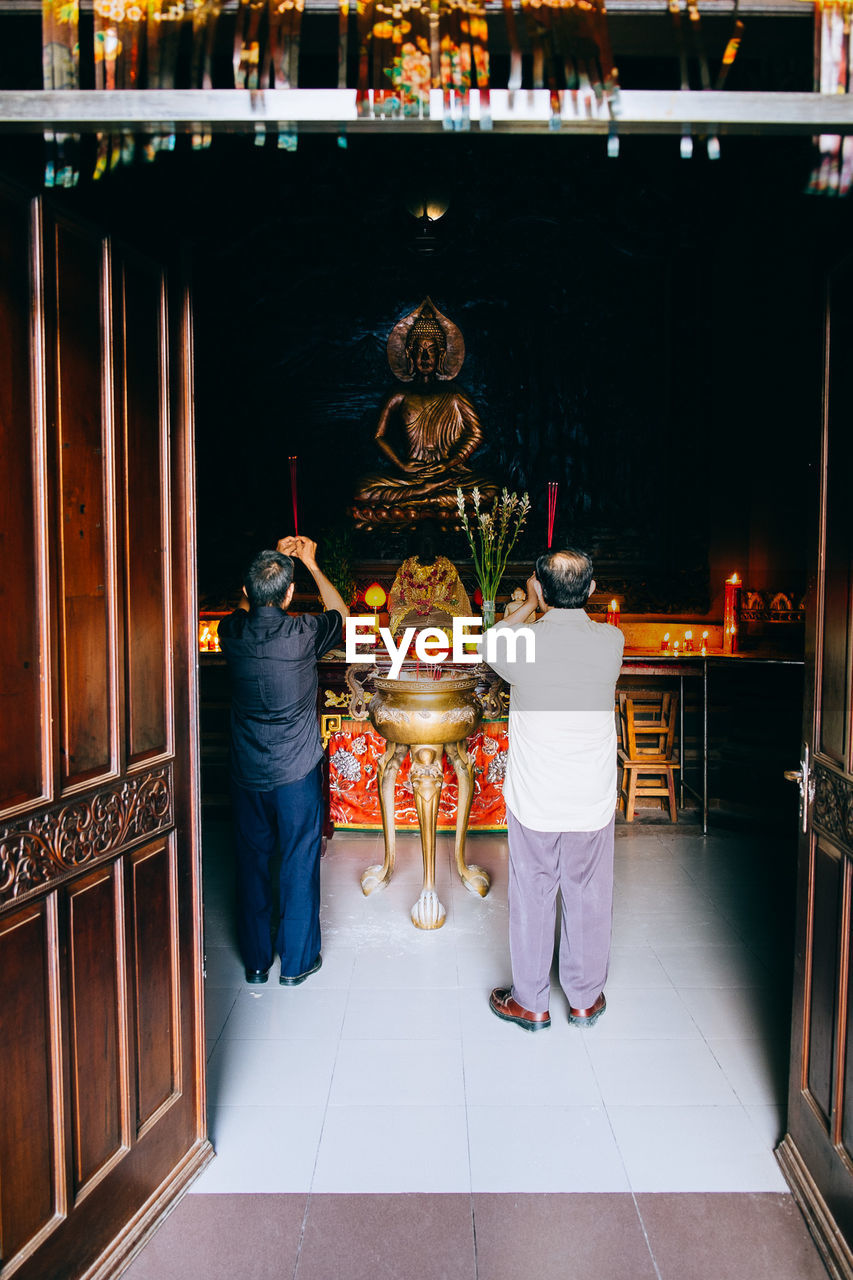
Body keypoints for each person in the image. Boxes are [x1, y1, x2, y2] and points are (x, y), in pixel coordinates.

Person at [484, 549, 624, 1031]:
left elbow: (492, 640)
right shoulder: (611, 641)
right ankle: (585, 999)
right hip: (590, 797)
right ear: (591, 589)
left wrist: (528, 605)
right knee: (588, 893)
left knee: (533, 892)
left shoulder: (519, 646)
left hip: (537, 797)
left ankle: (531, 1002)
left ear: (541, 590)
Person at [218, 536, 349, 986]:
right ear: (291, 595)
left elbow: (247, 602)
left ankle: (256, 963)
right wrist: (310, 563)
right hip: (296, 771)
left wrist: (267, 572)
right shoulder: (304, 632)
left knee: (251, 862)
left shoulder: (229, 632)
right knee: (298, 859)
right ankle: (296, 964)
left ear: (247, 590)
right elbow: (343, 616)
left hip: (247, 771)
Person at [352, 299, 497, 526]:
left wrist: (447, 464)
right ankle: (430, 497)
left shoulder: (454, 394)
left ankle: (423, 498)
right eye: (420, 351)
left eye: (431, 351)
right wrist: (402, 465)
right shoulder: (399, 394)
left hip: (447, 474)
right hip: (410, 474)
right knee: (363, 489)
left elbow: (476, 434)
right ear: (409, 354)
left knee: (490, 491)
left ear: (442, 354)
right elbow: (379, 436)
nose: (426, 358)